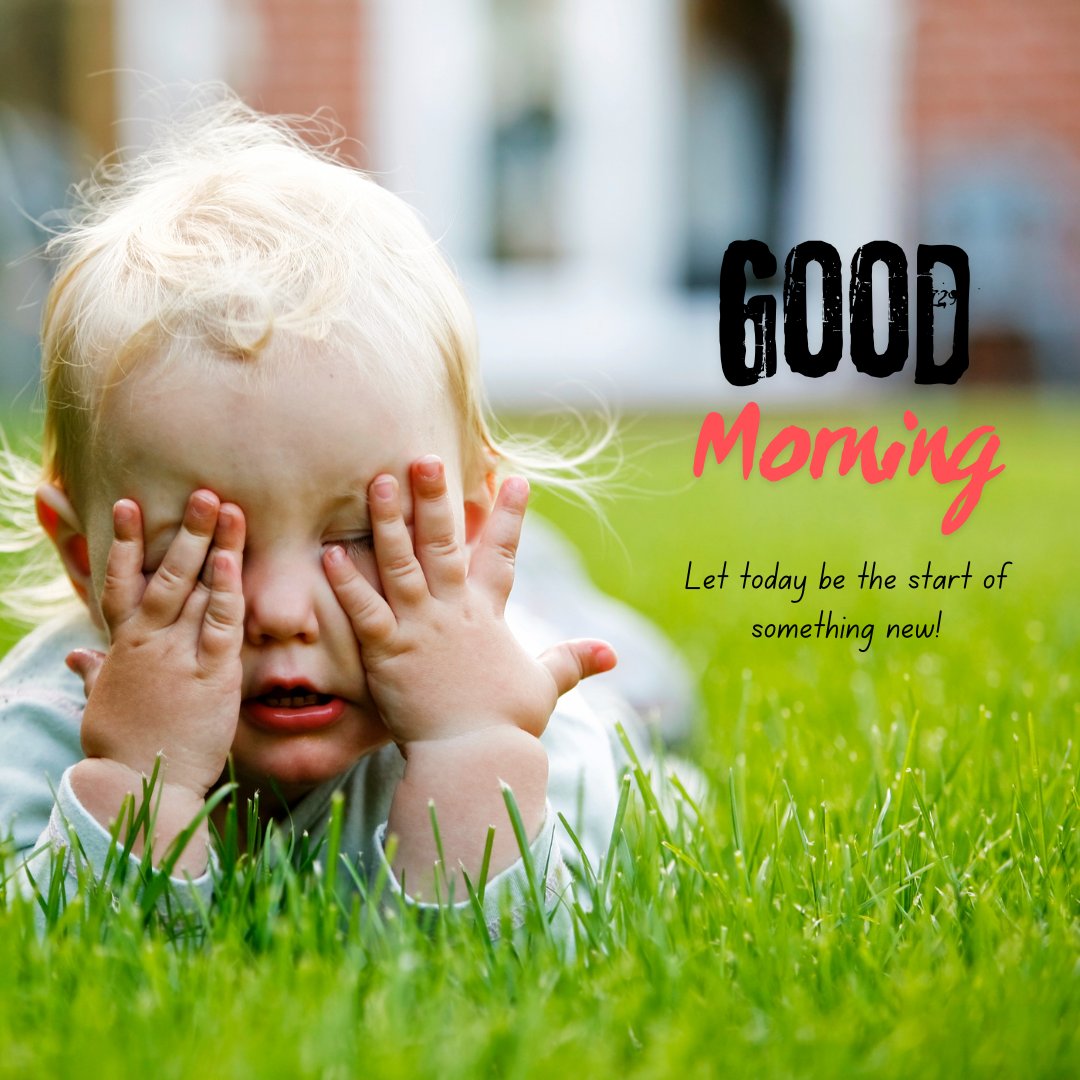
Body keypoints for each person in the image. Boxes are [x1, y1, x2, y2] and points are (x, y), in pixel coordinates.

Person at [0, 92, 697, 935]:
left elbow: (515, 979)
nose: (284, 614)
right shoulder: (45, 732)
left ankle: (570, 620)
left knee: (645, 713)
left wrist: (470, 754)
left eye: (364, 536)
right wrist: (141, 788)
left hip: (570, 684)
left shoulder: (538, 732)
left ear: (465, 535)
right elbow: (62, 978)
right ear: (83, 555)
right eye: (201, 547)